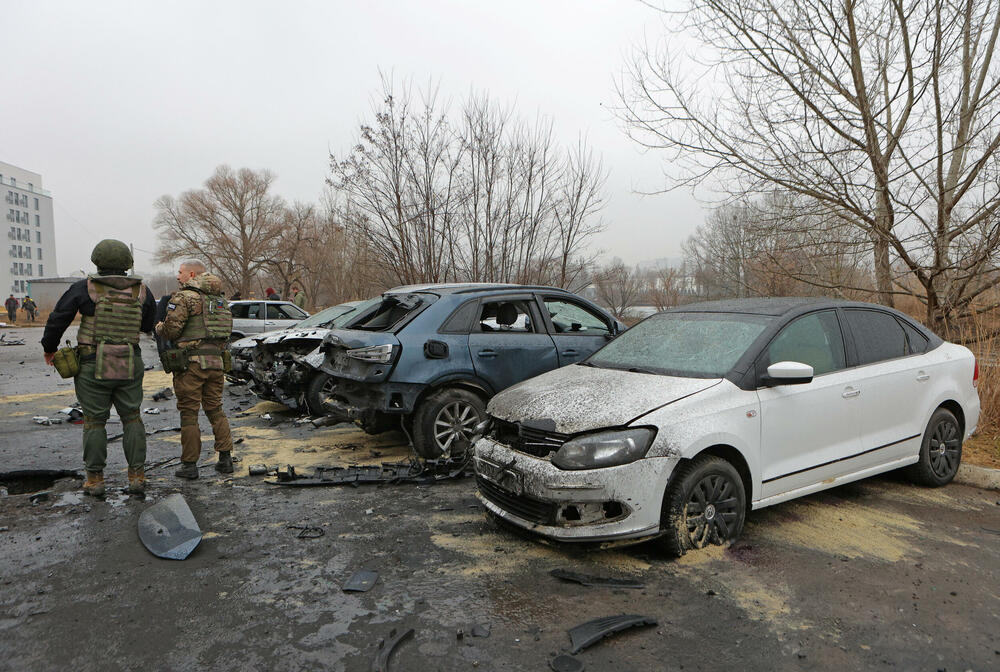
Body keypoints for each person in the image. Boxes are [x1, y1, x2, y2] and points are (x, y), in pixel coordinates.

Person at [41, 239, 156, 496]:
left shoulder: (84, 288)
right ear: (127, 263)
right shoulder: (142, 291)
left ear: (97, 261)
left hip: (92, 363)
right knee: (132, 418)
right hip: (129, 361)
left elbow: (58, 318)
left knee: (94, 421)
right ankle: (137, 477)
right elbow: (148, 325)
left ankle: (95, 481)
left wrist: (49, 348)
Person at [155, 260, 235, 479]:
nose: (177, 276)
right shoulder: (219, 300)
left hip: (191, 364)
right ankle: (226, 459)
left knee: (189, 413)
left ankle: (189, 465)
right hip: (216, 362)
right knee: (215, 409)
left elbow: (171, 330)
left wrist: (159, 327)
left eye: (180, 272)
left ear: (191, 274)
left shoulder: (184, 297)